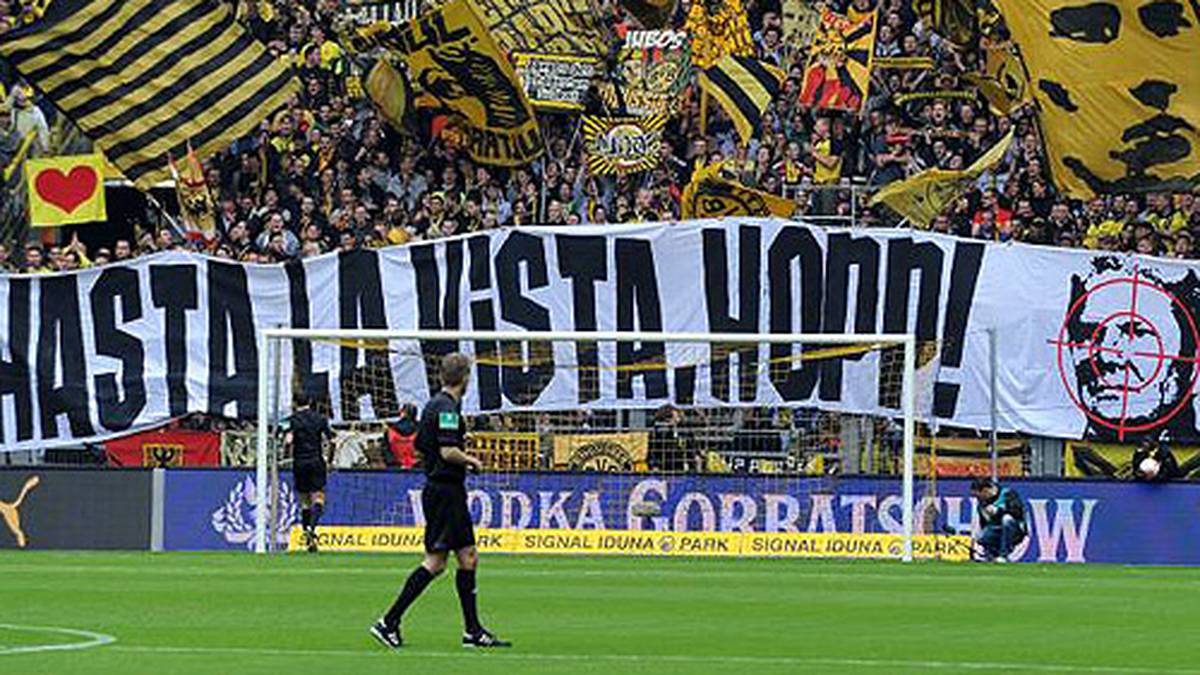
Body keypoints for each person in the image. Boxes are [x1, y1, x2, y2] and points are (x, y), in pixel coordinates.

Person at [371, 353, 510, 650]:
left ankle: (472, 631)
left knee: (468, 557)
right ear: (465, 378)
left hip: (442, 489)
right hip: (445, 491)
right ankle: (389, 621)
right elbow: (447, 451)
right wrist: (470, 459)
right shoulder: (447, 408)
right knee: (435, 563)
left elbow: (423, 446)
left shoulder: (434, 405)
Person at [285, 393, 333, 553]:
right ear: (310, 402)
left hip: (299, 462)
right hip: (316, 461)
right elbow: (331, 439)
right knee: (318, 497)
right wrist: (330, 459)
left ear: (294, 403)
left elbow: (288, 440)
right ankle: (312, 529)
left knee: (304, 501)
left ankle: (306, 534)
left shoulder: (291, 420)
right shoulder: (320, 419)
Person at [970, 477, 1028, 562]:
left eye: (978, 495)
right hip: (997, 529)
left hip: (1016, 529)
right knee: (982, 536)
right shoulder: (982, 504)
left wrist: (998, 511)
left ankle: (1003, 555)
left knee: (1006, 519)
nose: (978, 498)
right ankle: (991, 555)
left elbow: (1017, 512)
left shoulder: (1008, 494)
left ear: (985, 490)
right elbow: (984, 524)